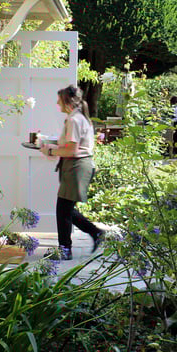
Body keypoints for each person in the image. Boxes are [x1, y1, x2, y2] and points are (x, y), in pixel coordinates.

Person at [40, 85, 104, 260]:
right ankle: (86, 238)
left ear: (67, 102)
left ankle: (68, 248)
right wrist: (52, 144)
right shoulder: (77, 118)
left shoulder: (75, 120)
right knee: (65, 210)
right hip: (76, 166)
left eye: (59, 100)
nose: (57, 103)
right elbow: (71, 145)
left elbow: (72, 150)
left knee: (63, 210)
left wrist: (50, 150)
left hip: (77, 167)